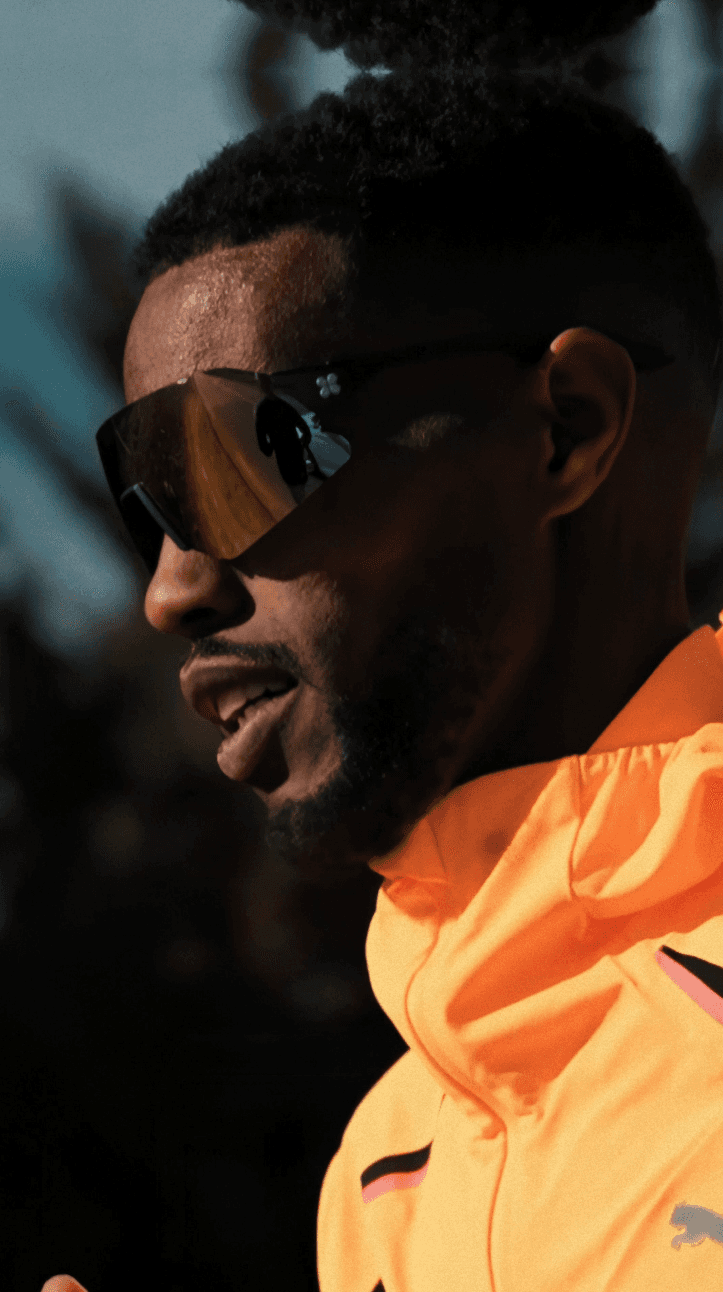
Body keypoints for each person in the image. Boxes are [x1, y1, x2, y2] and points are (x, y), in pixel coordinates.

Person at [42, 9, 723, 1292]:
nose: (171, 589)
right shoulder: (387, 1169)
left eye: (245, 454)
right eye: (147, 498)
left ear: (564, 431)